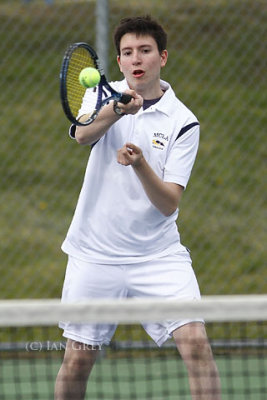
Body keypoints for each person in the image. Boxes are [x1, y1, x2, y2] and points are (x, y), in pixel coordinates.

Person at [55, 15, 221, 400]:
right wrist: (117, 111)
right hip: (94, 254)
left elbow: (168, 204)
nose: (136, 59)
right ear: (119, 62)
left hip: (158, 256)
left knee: (197, 346)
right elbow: (82, 134)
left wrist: (141, 164)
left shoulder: (184, 122)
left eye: (144, 51)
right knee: (77, 360)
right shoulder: (100, 93)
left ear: (162, 57)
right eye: (127, 53)